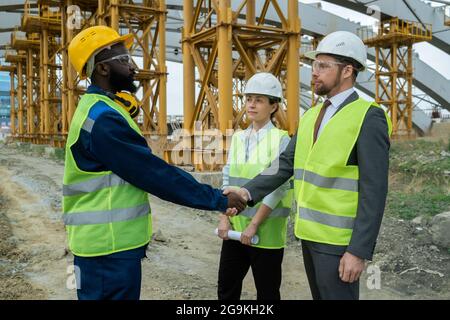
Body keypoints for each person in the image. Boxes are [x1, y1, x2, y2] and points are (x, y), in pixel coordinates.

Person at [64, 26, 246, 300]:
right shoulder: (103, 120)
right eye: (124, 60)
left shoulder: (99, 109)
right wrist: (218, 199)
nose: (133, 67)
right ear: (102, 69)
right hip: (108, 250)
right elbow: (153, 173)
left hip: (103, 246)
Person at [224, 31, 392, 300]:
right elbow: (286, 164)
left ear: (348, 70)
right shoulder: (312, 114)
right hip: (309, 234)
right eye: (314, 65)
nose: (314, 72)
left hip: (339, 242)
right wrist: (247, 192)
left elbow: (375, 189)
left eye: (323, 66)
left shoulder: (369, 116)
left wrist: (358, 251)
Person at [217, 73, 292, 300]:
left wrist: (254, 225)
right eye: (249, 98)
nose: (251, 104)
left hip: (265, 234)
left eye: (259, 100)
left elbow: (278, 187)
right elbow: (228, 177)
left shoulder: (281, 139)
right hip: (235, 228)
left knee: (267, 294)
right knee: (226, 289)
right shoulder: (239, 137)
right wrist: (223, 217)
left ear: (273, 106)